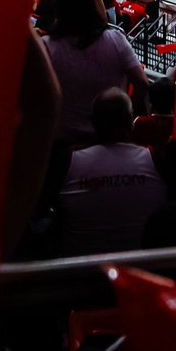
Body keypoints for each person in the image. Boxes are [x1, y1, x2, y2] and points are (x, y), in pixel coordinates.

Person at [57, 89, 166, 256]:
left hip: (79, 272)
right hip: (140, 268)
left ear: (93, 122)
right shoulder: (156, 160)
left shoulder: (68, 162)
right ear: (130, 122)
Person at [41, 0, 149, 145]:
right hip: (109, 137)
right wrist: (128, 114)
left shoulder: (47, 47)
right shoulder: (115, 40)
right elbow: (142, 82)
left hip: (62, 139)